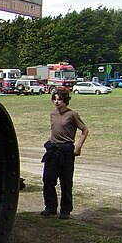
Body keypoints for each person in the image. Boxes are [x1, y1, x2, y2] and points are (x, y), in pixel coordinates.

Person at [40, 88, 89, 220]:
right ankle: (50, 207)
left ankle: (65, 210)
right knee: (48, 179)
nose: (56, 102)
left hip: (66, 150)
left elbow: (84, 130)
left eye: (59, 99)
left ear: (65, 101)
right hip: (53, 150)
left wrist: (78, 147)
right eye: (54, 99)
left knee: (66, 181)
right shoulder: (53, 114)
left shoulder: (72, 115)